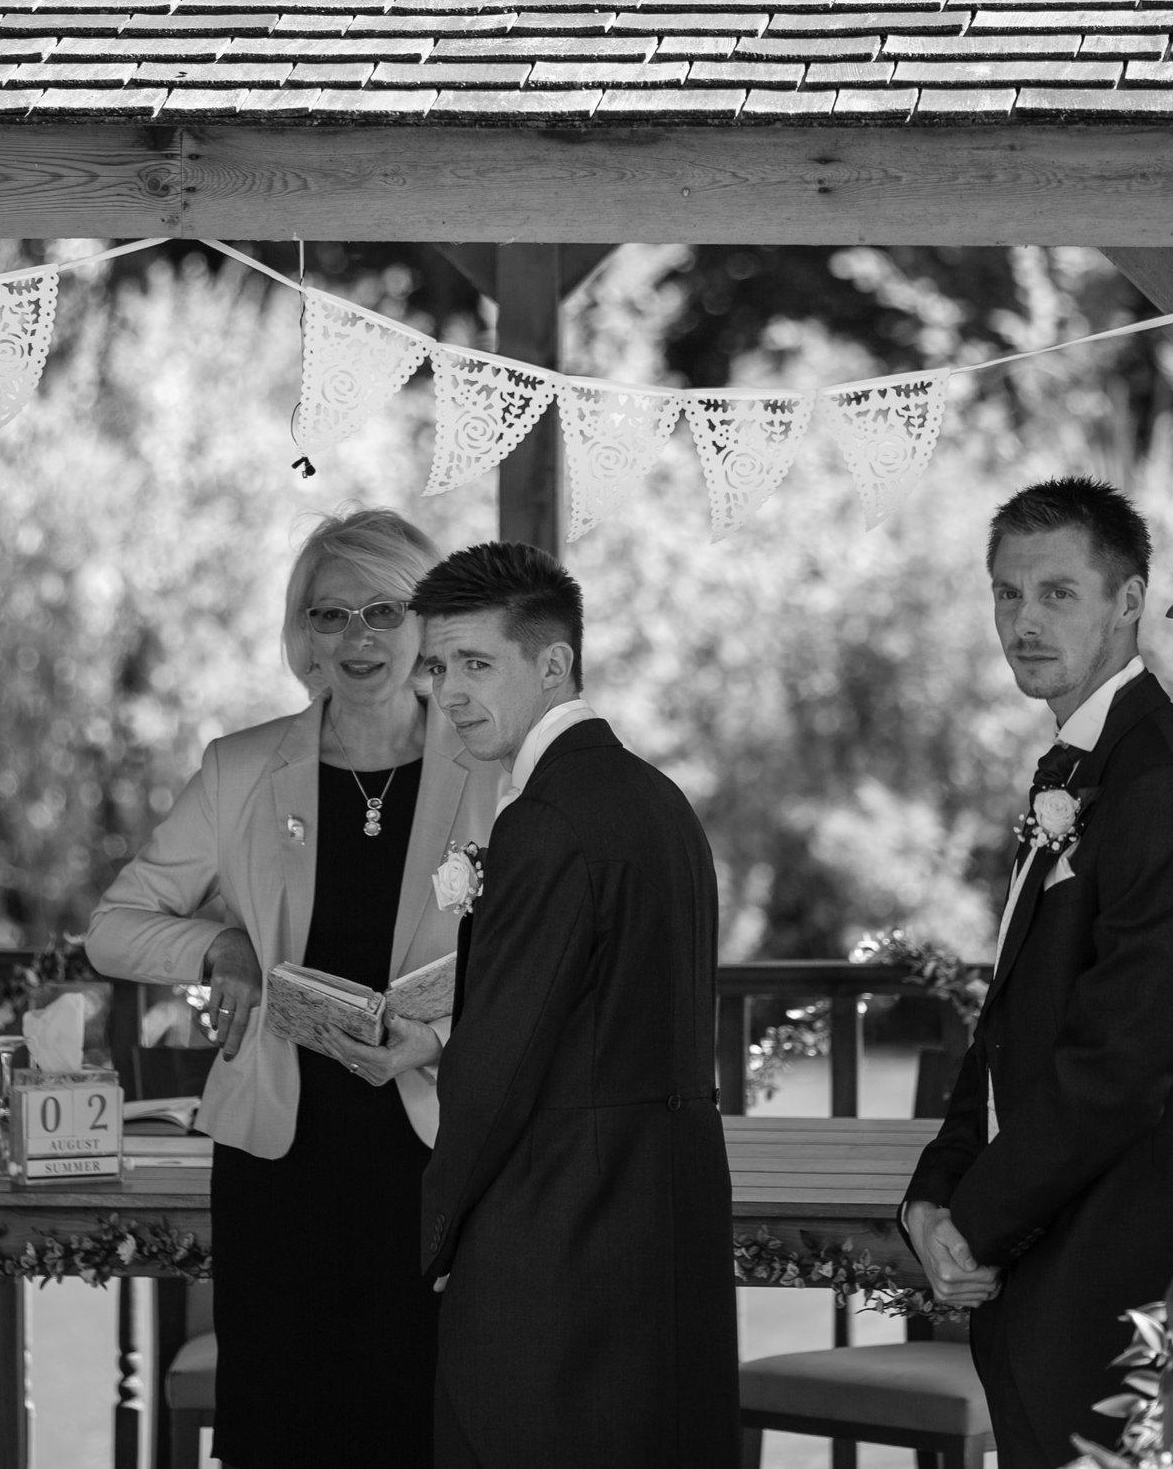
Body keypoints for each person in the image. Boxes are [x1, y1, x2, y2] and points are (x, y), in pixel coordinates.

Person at [85, 509, 498, 1469]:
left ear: (426, 628)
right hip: (281, 1157)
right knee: (282, 1426)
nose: (357, 638)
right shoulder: (239, 768)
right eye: (330, 614)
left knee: (422, 1427)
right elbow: (114, 926)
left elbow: (538, 955)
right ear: (301, 633)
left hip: (436, 1151)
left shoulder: (493, 767)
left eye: (385, 611)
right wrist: (216, 945)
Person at [901, 478, 1173, 1467]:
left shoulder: (1169, 789)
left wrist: (973, 1225)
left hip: (1152, 1267)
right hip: (1072, 1256)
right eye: (1005, 592)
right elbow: (1013, 1014)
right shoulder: (1074, 770)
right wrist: (930, 1195)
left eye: (1056, 592)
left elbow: (1122, 1060)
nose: (1021, 619)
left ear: (1127, 601)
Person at [411, 540, 738, 1468]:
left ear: (553, 662)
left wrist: (437, 1236)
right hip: (661, 1233)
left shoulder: (546, 819)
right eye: (438, 666)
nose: (450, 691)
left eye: (478, 663)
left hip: (559, 1246)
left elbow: (499, 1068)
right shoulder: (659, 799)